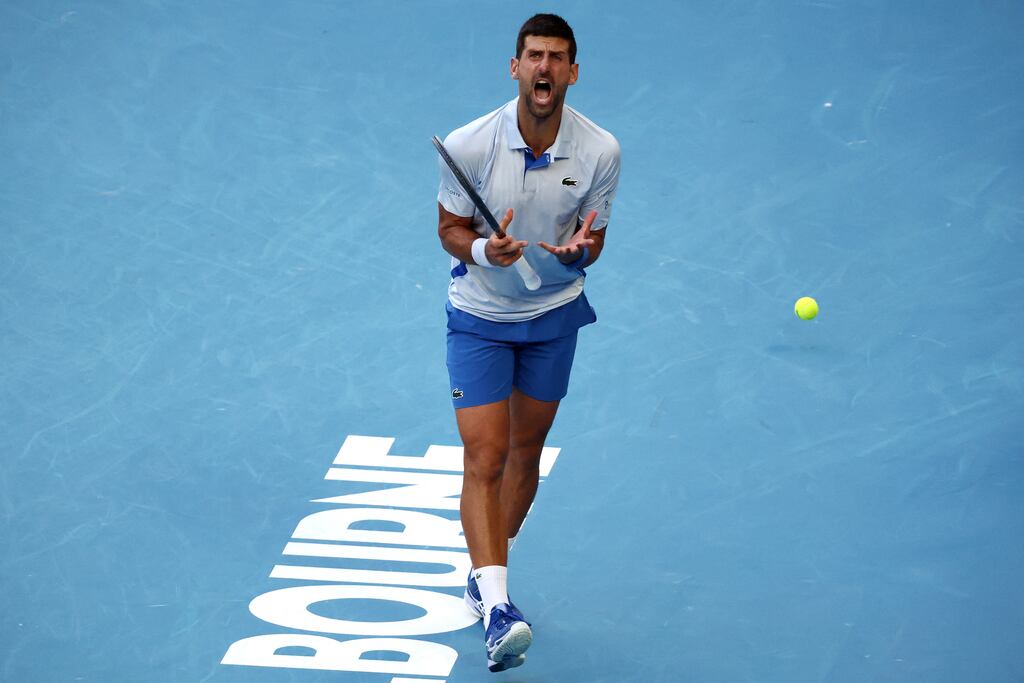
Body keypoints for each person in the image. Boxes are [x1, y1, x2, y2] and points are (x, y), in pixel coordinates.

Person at [436, 13, 620, 673]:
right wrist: (487, 247)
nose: (544, 68)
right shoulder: (470, 143)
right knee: (483, 456)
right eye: (533, 56)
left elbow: (594, 238)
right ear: (514, 67)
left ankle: (485, 569)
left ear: (572, 72)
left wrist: (578, 254)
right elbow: (449, 227)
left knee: (524, 455)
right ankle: (498, 605)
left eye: (557, 58)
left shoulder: (600, 152)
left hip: (552, 317)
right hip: (481, 317)